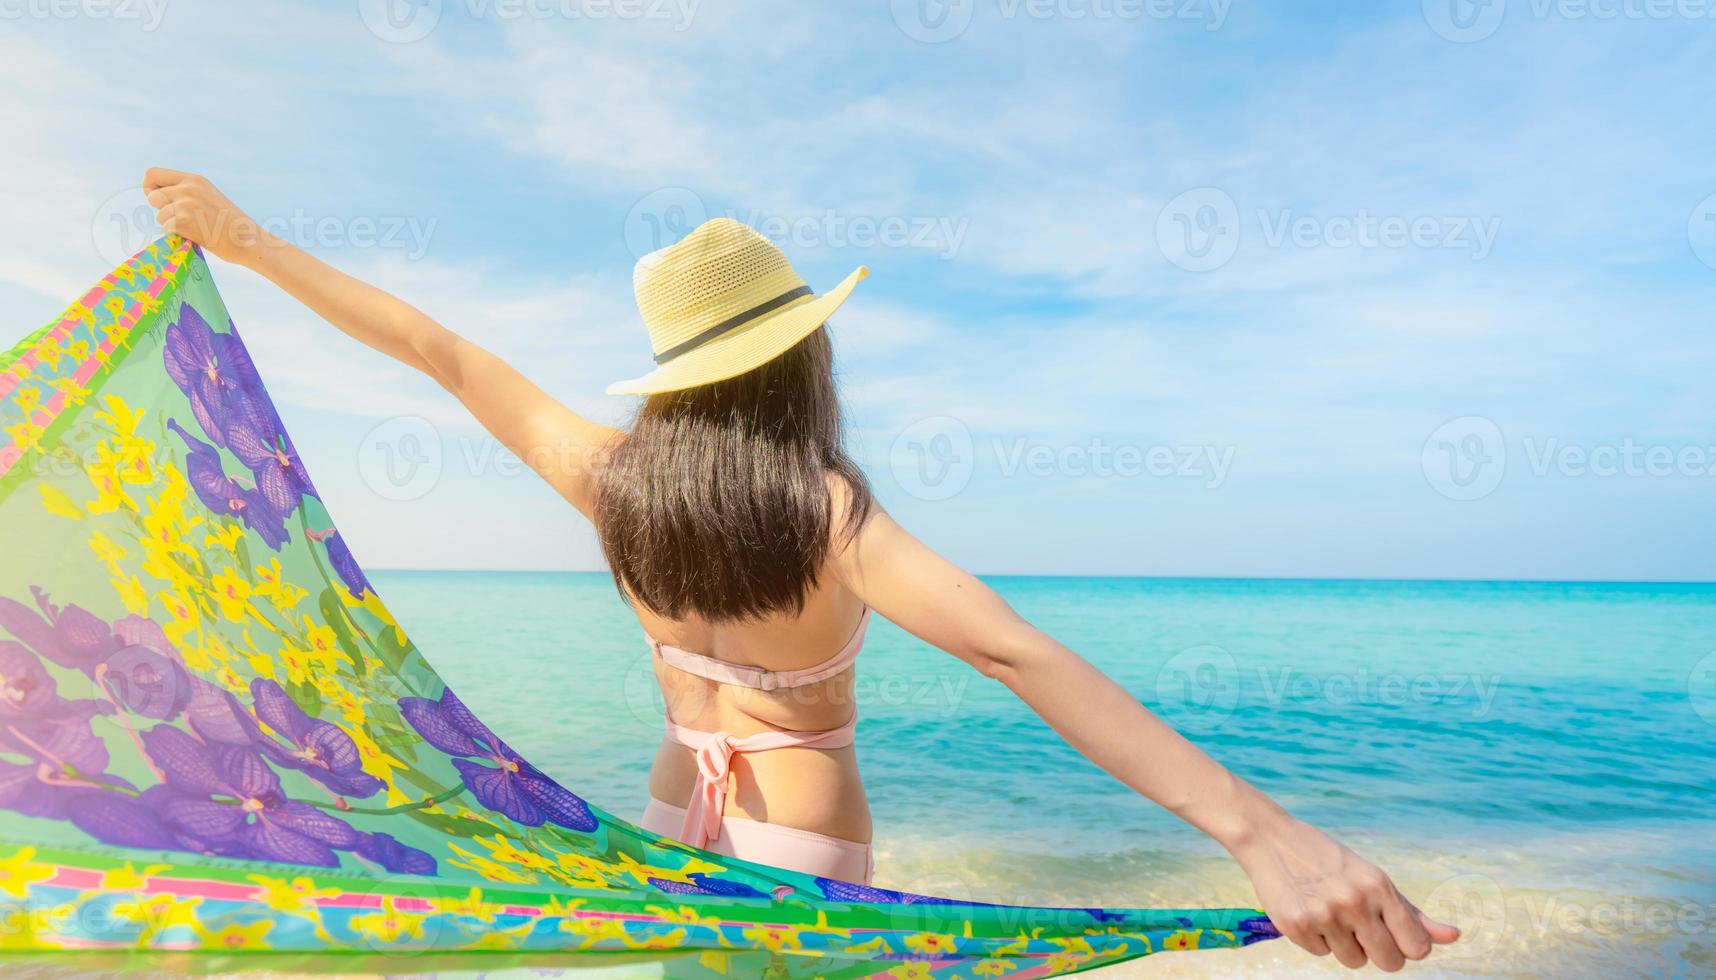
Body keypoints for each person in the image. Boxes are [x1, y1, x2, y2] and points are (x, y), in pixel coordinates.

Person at [142, 167, 1460, 972]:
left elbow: (432, 346)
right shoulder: (824, 514)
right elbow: (1016, 652)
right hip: (798, 824)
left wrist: (241, 238)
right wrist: (1262, 831)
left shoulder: (609, 478)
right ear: (800, 359)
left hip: (671, 808)